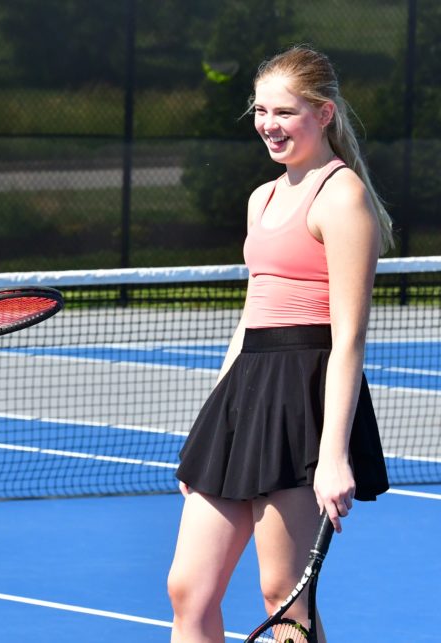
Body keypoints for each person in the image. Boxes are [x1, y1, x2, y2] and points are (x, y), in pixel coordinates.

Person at [167, 45, 393, 642]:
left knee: (284, 595)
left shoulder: (341, 196)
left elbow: (349, 338)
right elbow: (251, 317)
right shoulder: (260, 198)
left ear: (323, 113)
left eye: (285, 112)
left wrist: (334, 454)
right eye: (261, 111)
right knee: (189, 590)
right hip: (245, 392)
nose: (269, 124)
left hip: (302, 402)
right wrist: (211, 428)